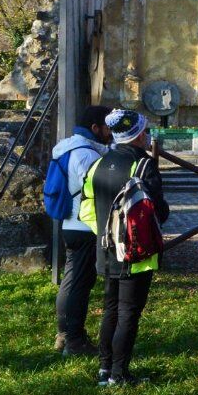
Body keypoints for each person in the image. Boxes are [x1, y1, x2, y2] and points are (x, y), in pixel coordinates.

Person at [81, 109, 169, 386]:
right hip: (135, 253)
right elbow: (159, 211)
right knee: (129, 311)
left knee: (111, 309)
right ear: (138, 134)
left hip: (105, 249)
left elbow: (86, 209)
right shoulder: (143, 165)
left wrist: (107, 234)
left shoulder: (98, 164)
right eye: (144, 131)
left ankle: (104, 369)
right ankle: (119, 374)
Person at [52, 105, 113, 357]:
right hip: (84, 225)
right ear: (95, 128)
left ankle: (64, 334)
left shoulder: (67, 147)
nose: (110, 132)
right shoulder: (85, 155)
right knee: (78, 283)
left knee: (73, 280)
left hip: (70, 222)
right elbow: (97, 190)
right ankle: (74, 340)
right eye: (107, 127)